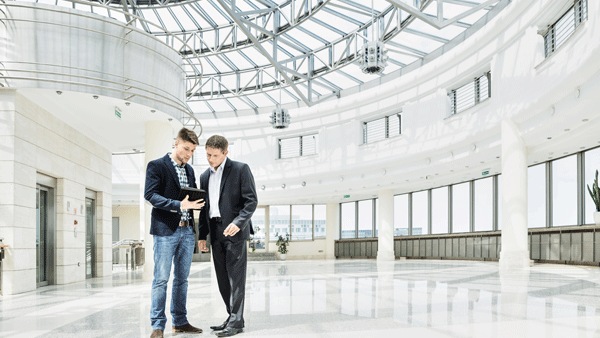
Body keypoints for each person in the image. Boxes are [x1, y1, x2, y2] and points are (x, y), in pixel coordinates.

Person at [144, 127, 205, 338]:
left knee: (182, 280)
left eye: (192, 151)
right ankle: (158, 326)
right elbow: (150, 195)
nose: (189, 154)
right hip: (165, 232)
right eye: (186, 149)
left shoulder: (189, 171)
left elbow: (191, 198)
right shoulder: (157, 166)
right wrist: (179, 205)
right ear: (175, 143)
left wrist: (196, 204)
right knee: (161, 279)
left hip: (187, 232)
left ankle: (180, 322)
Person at [198, 135, 258, 337]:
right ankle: (231, 316)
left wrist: (238, 223)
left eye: (215, 155)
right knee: (222, 278)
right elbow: (204, 208)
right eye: (207, 154)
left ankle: (237, 321)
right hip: (214, 231)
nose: (210, 159)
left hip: (234, 231)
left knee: (236, 278)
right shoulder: (205, 176)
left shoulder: (241, 169)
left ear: (225, 153)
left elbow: (251, 201)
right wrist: (202, 235)